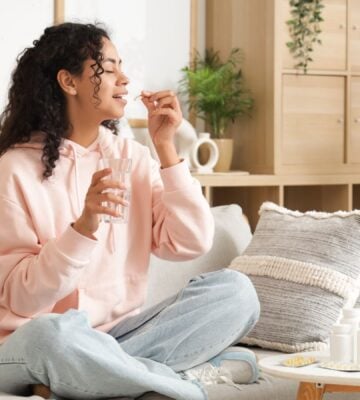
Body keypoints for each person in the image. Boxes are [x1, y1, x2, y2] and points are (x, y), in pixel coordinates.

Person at [0, 22, 260, 400]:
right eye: (109, 67)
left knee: (238, 293)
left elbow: (190, 242)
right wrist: (83, 228)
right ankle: (175, 384)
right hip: (29, 342)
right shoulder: (13, 170)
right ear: (68, 82)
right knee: (53, 335)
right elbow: (21, 300)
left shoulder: (131, 157)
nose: (125, 78)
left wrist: (166, 150)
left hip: (117, 335)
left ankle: (92, 378)